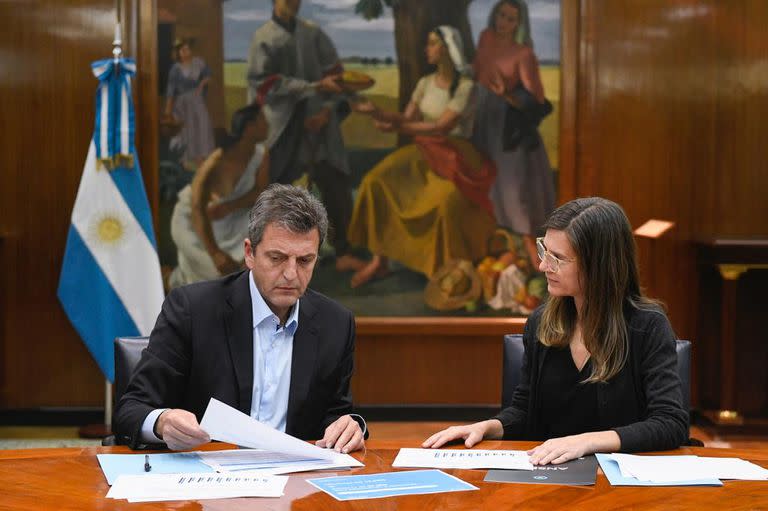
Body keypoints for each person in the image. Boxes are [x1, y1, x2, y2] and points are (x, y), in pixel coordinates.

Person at [423, 197, 688, 465]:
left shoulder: (648, 325)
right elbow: (525, 411)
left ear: (599, 264)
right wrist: (486, 427)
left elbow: (670, 424)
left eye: (558, 258)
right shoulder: (541, 322)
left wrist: (588, 441)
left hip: (623, 485)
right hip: (550, 475)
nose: (542, 266)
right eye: (544, 251)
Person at [114, 184, 367, 453]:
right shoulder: (193, 310)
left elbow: (335, 414)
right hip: (207, 478)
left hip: (296, 481)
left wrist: (351, 426)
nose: (291, 274)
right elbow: (131, 409)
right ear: (249, 253)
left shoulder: (335, 324)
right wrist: (162, 422)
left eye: (305, 260)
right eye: (277, 258)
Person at [345, 26, 497, 288]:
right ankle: (379, 262)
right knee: (375, 180)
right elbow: (406, 120)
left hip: (456, 154)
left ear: (448, 49)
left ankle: (439, 270)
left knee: (445, 200)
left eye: (433, 43)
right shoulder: (424, 83)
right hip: (424, 151)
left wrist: (397, 126)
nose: (427, 49)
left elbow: (442, 127)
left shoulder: (467, 87)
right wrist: (375, 113)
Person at [247, 0, 358, 271]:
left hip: (320, 124)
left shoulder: (313, 33)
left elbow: (338, 78)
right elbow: (263, 84)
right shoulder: (264, 37)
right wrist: (311, 87)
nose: (294, 3)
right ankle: (274, 256)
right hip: (284, 127)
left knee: (334, 182)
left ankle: (342, 250)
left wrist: (327, 112)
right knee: (275, 191)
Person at [472, 0, 556, 266]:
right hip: (484, 119)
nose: (503, 22)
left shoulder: (523, 54)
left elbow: (537, 99)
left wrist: (506, 94)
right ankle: (504, 249)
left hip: (509, 125)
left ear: (519, 24)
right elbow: (477, 71)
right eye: (500, 15)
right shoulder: (485, 38)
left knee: (514, 189)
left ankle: (538, 258)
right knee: (489, 183)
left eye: (510, 18)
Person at [168, 103, 270, 289]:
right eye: (262, 120)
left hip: (229, 218)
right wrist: (215, 253)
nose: (268, 124)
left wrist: (229, 207)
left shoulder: (261, 154)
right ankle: (176, 278)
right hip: (194, 220)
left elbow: (259, 192)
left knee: (250, 260)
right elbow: (197, 207)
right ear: (249, 127)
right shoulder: (216, 159)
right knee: (215, 276)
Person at [164, 38, 215, 169]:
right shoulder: (175, 69)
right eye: (183, 50)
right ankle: (186, 161)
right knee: (187, 130)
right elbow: (170, 91)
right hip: (182, 104)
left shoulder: (198, 63)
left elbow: (208, 75)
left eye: (188, 49)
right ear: (178, 53)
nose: (186, 52)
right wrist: (168, 111)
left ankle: (201, 160)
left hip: (197, 100)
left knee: (202, 126)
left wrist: (203, 83)